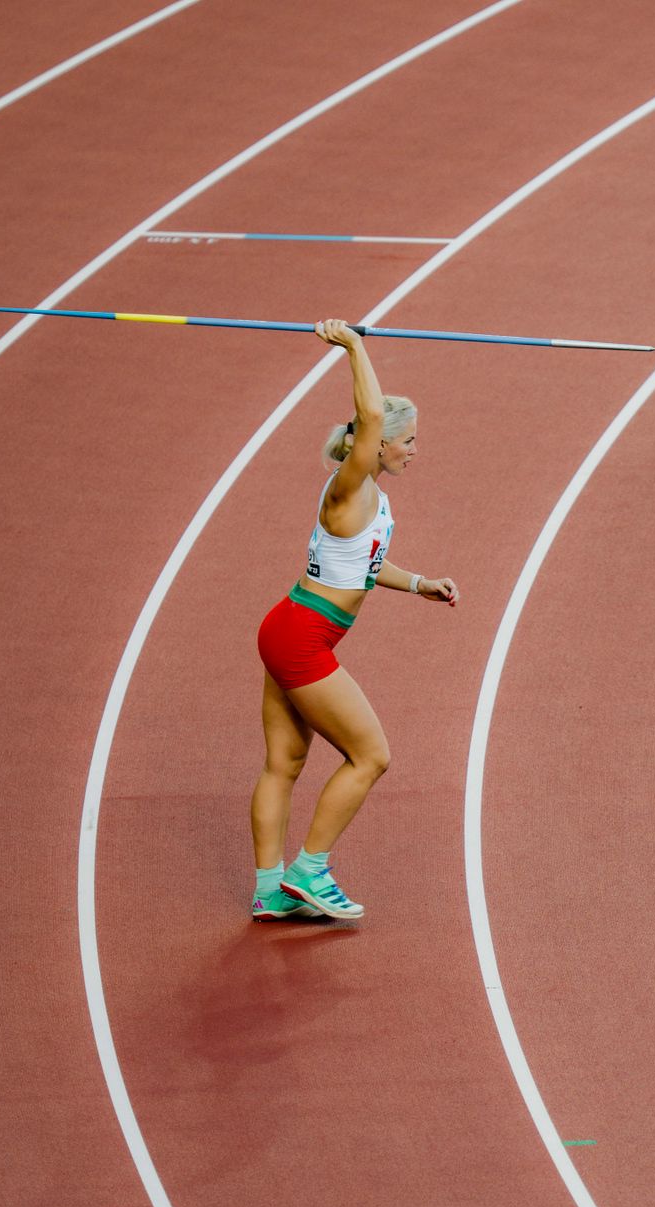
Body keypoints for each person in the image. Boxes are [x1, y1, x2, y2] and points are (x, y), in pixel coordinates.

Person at [248, 318, 458, 920]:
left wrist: (418, 583)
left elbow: (362, 565)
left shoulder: (371, 498)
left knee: (283, 764)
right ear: (381, 445)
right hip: (303, 638)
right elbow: (367, 414)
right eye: (409, 440)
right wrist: (355, 346)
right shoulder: (350, 483)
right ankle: (310, 870)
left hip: (288, 624)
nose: (415, 448)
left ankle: (268, 891)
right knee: (371, 756)